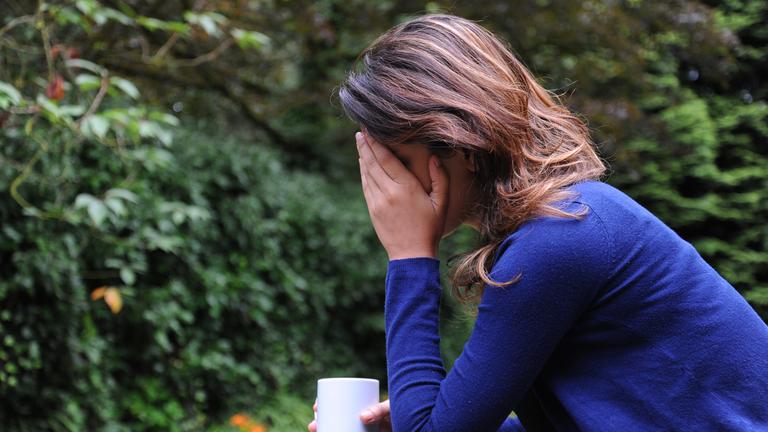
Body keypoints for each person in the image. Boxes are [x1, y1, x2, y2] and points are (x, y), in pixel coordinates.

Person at [308, 13, 768, 432]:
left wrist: (409, 256)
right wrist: (424, 415)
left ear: (459, 144)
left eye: (394, 161)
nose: (386, 185)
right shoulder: (560, 224)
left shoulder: (561, 234)